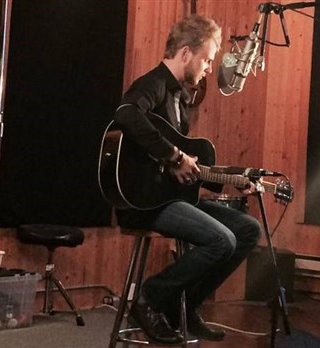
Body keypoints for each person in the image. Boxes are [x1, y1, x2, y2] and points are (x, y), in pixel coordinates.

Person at [113, 14, 262, 344]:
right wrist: (175, 156)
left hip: (172, 198)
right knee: (222, 239)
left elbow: (188, 173)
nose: (210, 68)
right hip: (144, 201)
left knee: (248, 229)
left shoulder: (180, 97)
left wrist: (235, 179)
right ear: (185, 54)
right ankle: (150, 299)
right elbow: (126, 113)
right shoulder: (153, 84)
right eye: (207, 59)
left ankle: (185, 305)